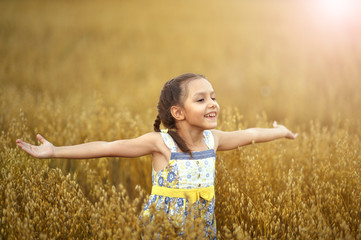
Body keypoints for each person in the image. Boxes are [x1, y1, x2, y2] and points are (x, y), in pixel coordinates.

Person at [16, 73, 297, 239]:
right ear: (178, 112)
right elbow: (106, 147)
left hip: (200, 231)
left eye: (213, 96)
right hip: (162, 232)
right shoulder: (161, 144)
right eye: (201, 99)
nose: (212, 104)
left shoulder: (215, 139)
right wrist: (54, 152)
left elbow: (251, 134)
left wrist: (281, 131)